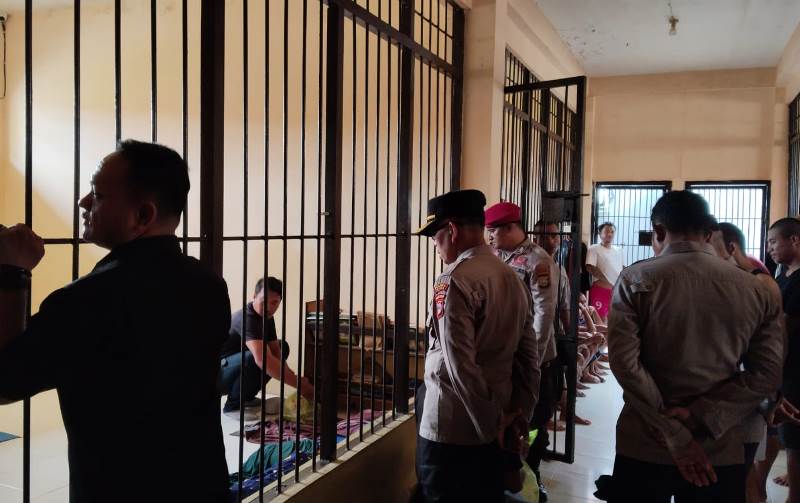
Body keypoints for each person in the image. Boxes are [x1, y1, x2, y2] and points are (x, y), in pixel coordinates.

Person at [0, 140, 231, 502]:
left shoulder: (84, 301)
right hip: (202, 485)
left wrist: (11, 273)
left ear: (142, 215)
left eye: (97, 194)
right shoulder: (210, 285)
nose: (83, 202)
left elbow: (4, 381)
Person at [603, 191, 784, 502]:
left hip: (645, 441)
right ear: (709, 233)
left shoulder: (635, 279)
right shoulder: (755, 289)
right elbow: (767, 373)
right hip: (717, 447)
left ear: (658, 231)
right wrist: (702, 415)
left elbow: (624, 364)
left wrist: (672, 431)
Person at [415, 190, 540, 503]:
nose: (435, 246)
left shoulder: (453, 280)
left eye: (436, 236)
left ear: (452, 230)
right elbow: (529, 357)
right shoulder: (511, 277)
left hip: (452, 429)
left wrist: (493, 428)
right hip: (498, 423)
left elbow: (461, 368)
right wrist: (518, 416)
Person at [485, 203, 558, 501]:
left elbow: (544, 314)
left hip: (532, 361)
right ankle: (507, 481)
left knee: (530, 425)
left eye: (493, 231)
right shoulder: (494, 257)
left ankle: (532, 479)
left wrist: (531, 362)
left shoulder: (537, 260)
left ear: (510, 228)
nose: (489, 237)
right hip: (504, 359)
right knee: (503, 427)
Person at [219, 277, 314, 416]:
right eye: (264, 301)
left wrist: (292, 376)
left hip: (235, 365)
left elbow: (276, 350)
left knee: (282, 346)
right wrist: (299, 384)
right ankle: (233, 405)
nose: (269, 308)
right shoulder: (247, 317)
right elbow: (262, 360)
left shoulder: (267, 317)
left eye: (274, 302)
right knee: (258, 357)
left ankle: (246, 398)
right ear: (254, 297)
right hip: (219, 373)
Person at [767, 217, 800, 503]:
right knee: (784, 430)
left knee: (793, 430)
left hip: (795, 364)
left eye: (774, 242)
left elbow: (785, 325)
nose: (770, 248)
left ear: (794, 240)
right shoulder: (783, 274)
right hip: (783, 364)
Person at [586, 222, 623, 322]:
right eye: (606, 231)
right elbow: (590, 267)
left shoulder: (619, 250)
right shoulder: (594, 248)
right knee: (600, 321)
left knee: (613, 321)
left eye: (612, 232)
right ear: (600, 234)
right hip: (600, 290)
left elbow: (621, 268)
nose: (610, 234)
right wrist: (609, 280)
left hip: (615, 292)